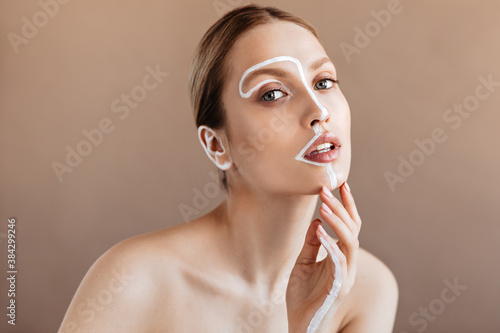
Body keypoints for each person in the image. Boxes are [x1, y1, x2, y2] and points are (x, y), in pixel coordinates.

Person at [58, 5, 398, 332]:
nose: (318, 110)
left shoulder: (367, 289)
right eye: (273, 94)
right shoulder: (133, 281)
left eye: (323, 82)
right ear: (218, 146)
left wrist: (310, 326)